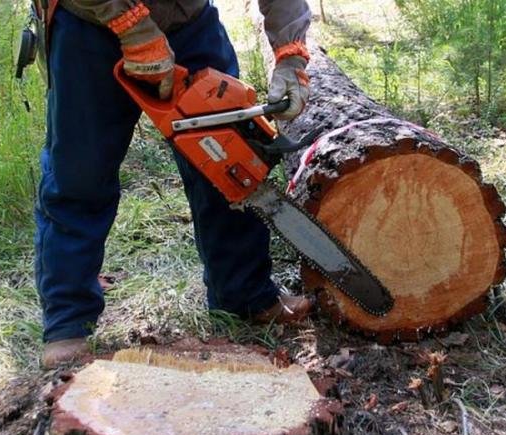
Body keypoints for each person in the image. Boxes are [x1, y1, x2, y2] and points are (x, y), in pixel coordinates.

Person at [36, 0, 314, 368]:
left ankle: (245, 295)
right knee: (80, 174)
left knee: (231, 163)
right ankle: (67, 322)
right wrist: (132, 26)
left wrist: (290, 54)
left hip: (188, 21)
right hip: (90, 23)